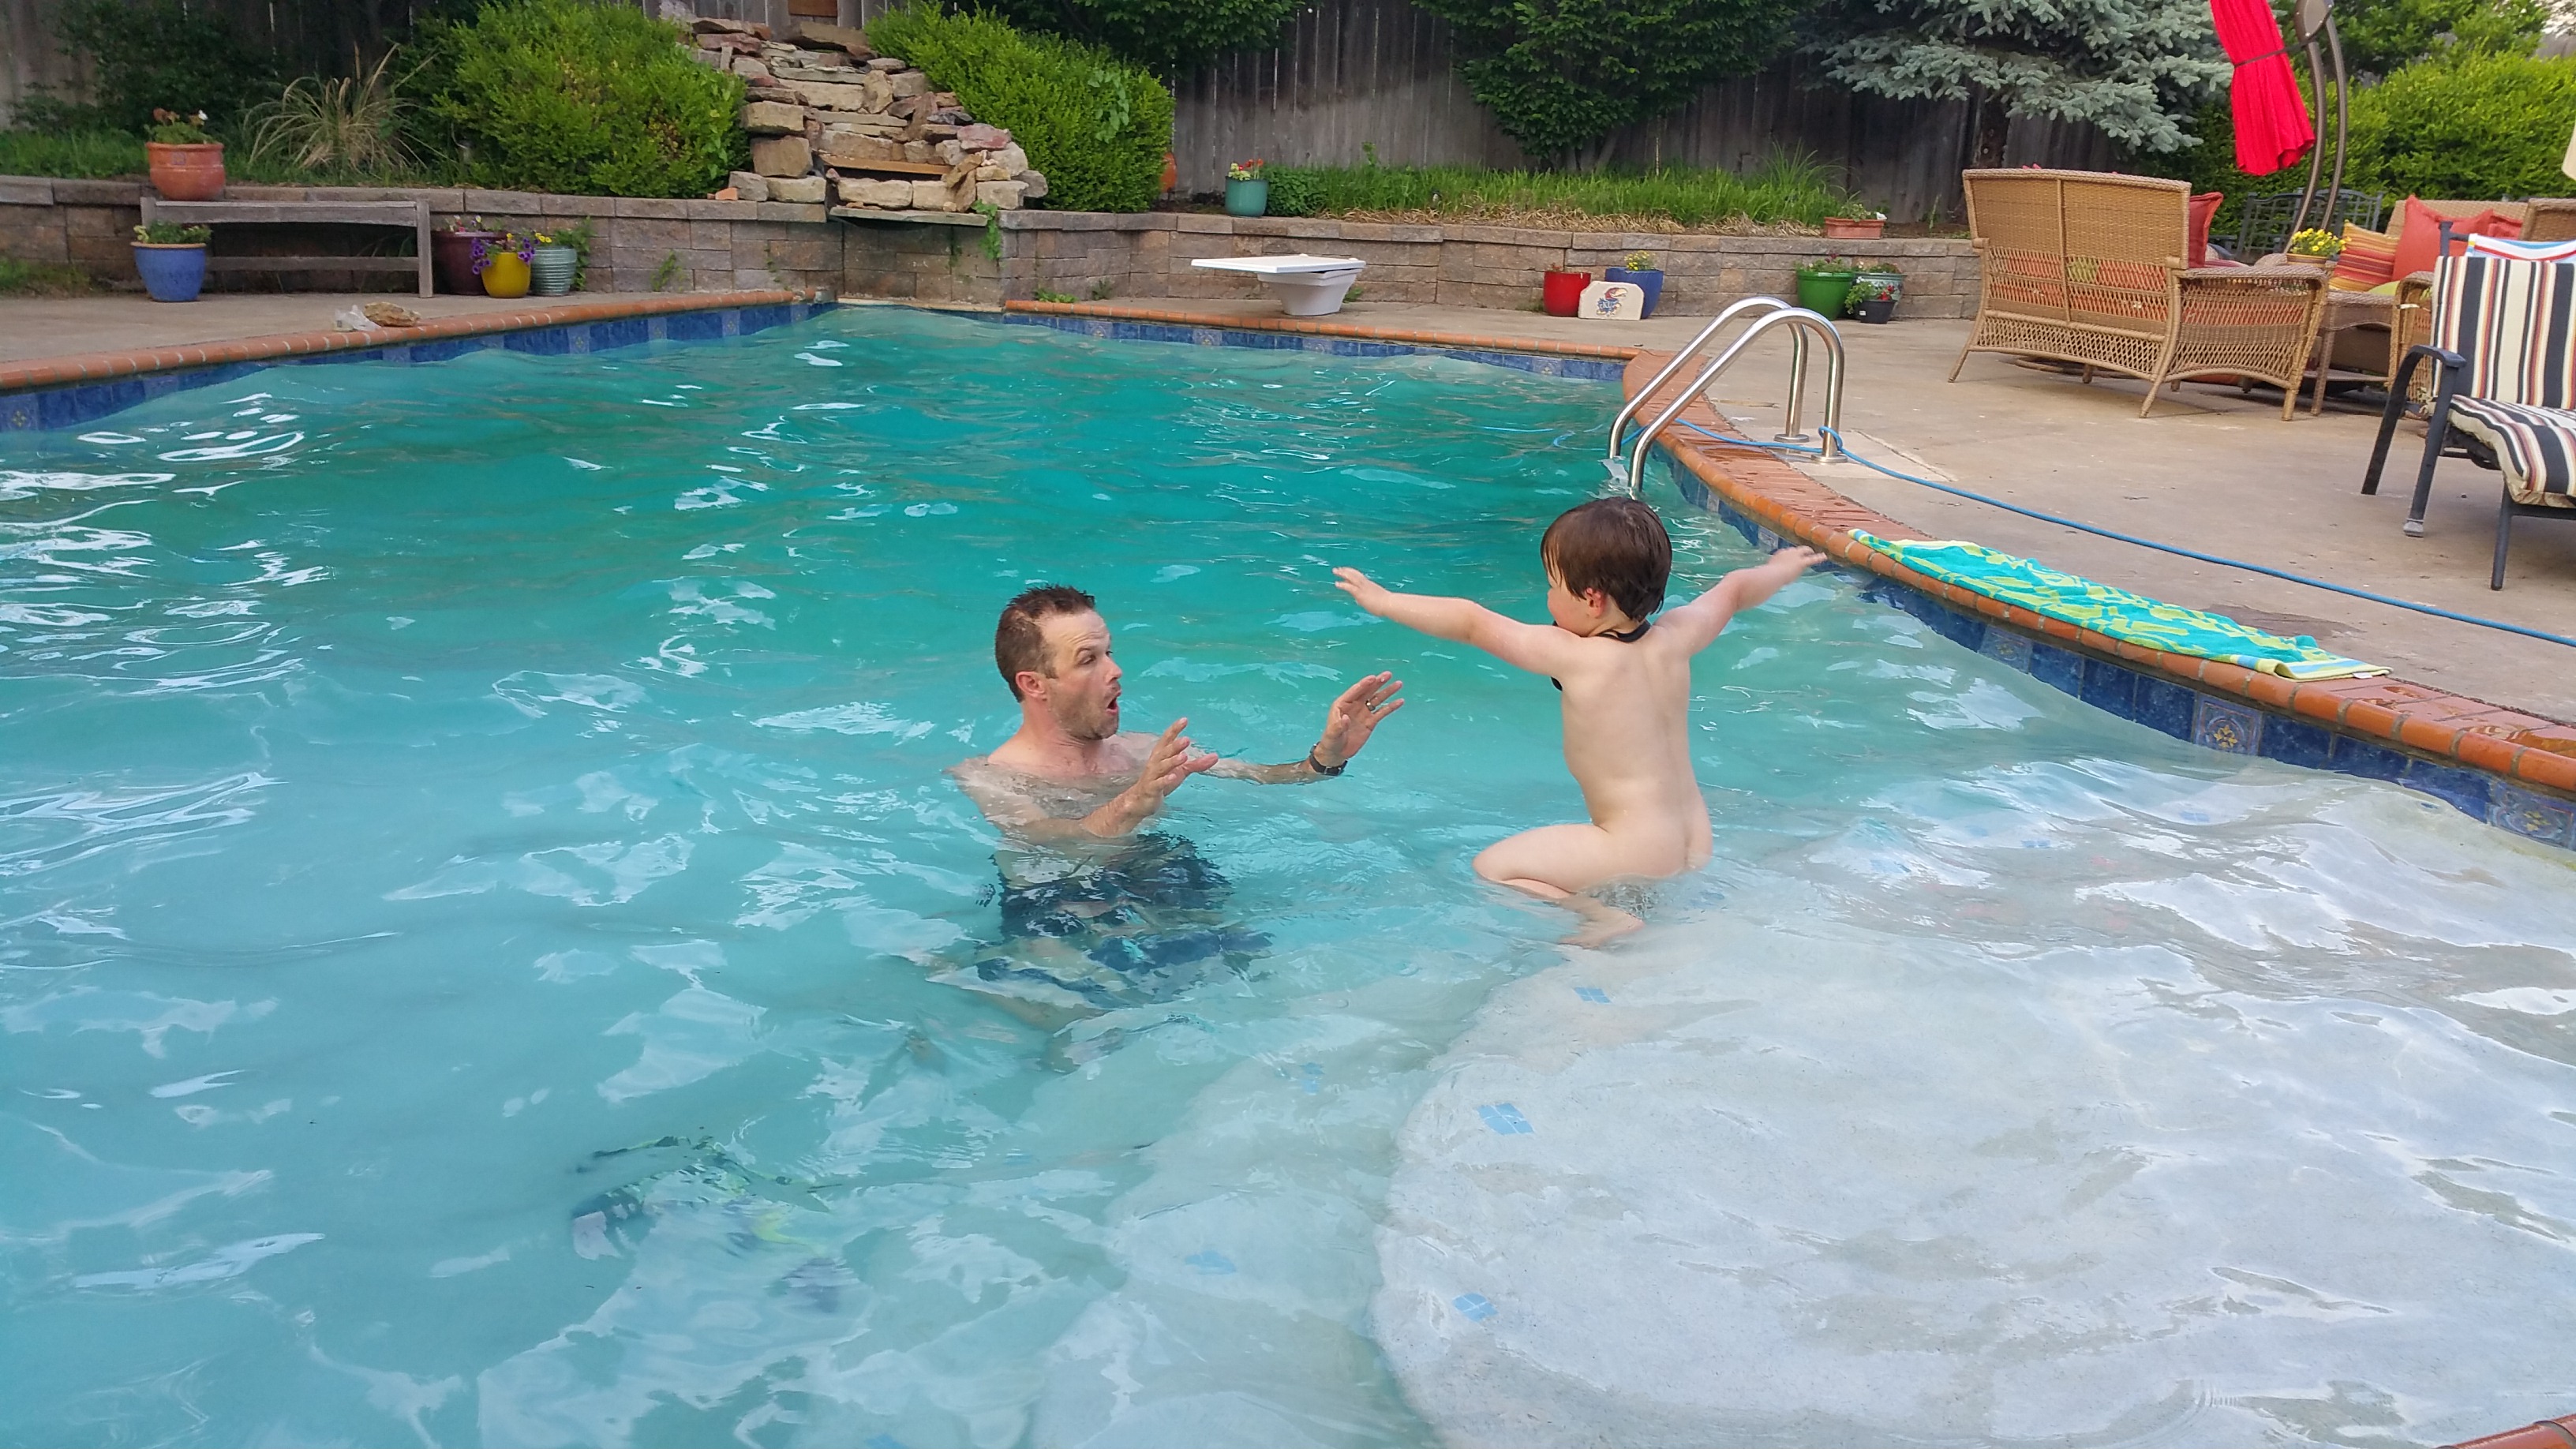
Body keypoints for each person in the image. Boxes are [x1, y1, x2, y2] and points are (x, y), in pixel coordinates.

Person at [1335, 498, 1824, 945]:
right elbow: (1734, 591)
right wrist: (1779, 568)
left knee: (1493, 868)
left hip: (1632, 847)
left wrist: (1384, 600)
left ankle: (1600, 916)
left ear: (1592, 599)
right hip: (1693, 839)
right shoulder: (1677, 637)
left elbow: (1471, 621)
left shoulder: (1576, 656)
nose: (1548, 598)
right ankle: (1627, 908)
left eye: (1553, 586)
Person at [946, 584, 1406, 1010]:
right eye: (1088, 660)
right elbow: (1044, 836)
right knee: (1086, 1014)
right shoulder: (992, 777)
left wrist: (1324, 760)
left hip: (1158, 876)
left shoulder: (1143, 752)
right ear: (1034, 684)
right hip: (1062, 902)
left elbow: (1263, 776)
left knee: (1258, 979)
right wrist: (1130, 805)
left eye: (1109, 653)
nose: (1115, 670)